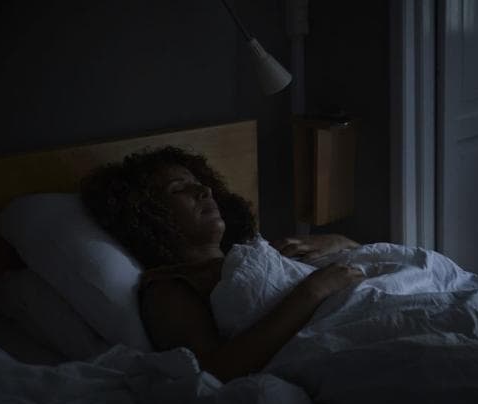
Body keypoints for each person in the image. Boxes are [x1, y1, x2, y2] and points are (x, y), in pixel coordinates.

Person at [81, 146, 363, 381]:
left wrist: (339, 242)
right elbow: (214, 372)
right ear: (147, 216)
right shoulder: (168, 288)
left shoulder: (253, 256)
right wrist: (313, 292)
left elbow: (368, 265)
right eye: (180, 189)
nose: (204, 190)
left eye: (199, 183)